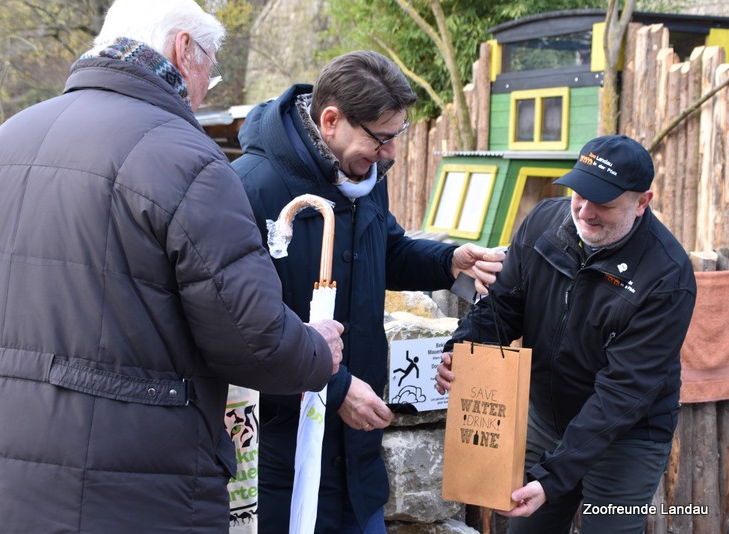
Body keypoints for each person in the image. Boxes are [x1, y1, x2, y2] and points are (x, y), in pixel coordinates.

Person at [0, 0, 345, 532]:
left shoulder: (2, 144)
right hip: (127, 491)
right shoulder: (188, 159)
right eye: (210, 71)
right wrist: (317, 349)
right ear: (183, 51)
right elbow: (254, 341)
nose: (204, 91)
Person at [232, 50, 506, 533]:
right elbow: (241, 324)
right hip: (282, 454)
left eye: (395, 136)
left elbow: (386, 251)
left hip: (357, 462)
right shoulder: (249, 190)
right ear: (331, 120)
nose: (391, 154)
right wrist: (335, 389)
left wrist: (448, 261)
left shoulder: (362, 177)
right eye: (381, 138)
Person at [435, 134, 697, 534]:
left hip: (626, 434)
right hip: (545, 415)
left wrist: (553, 475)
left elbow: (623, 391)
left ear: (642, 202)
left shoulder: (666, 276)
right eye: (580, 194)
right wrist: (465, 349)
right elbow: (504, 306)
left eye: (605, 203)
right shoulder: (543, 222)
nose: (585, 212)